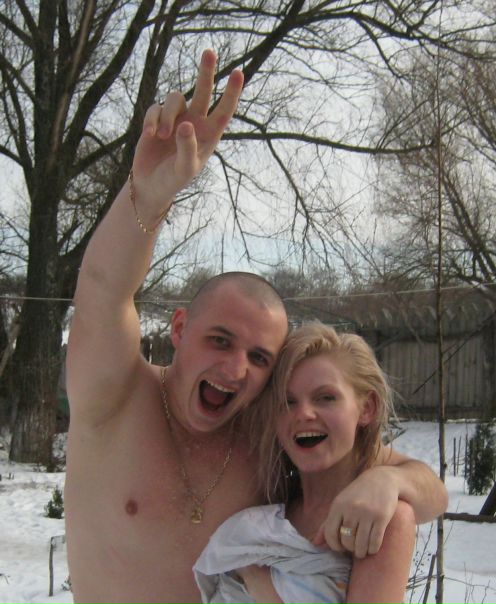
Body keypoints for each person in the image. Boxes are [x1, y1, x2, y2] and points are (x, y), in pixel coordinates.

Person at [65, 49, 448, 604]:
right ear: (179, 328)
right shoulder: (116, 396)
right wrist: (147, 197)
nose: (234, 368)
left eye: (260, 357)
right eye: (220, 340)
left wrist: (390, 480)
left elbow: (429, 489)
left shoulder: (267, 436)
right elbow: (102, 291)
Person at [194, 322, 418, 604]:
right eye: (288, 402)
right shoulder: (262, 511)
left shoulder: (385, 519)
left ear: (367, 408)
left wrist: (256, 578)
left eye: (325, 398)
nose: (304, 414)